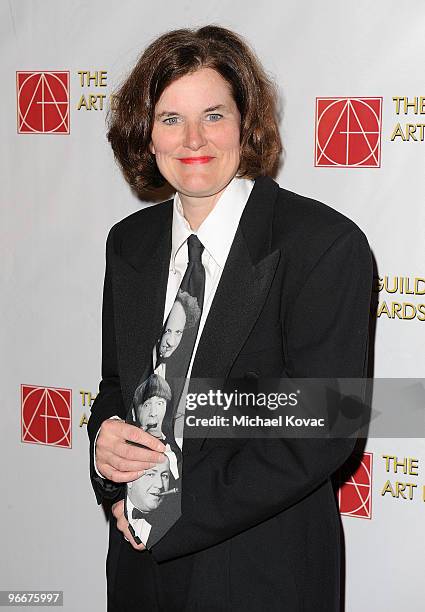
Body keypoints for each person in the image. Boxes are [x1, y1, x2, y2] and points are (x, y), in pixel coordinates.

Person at [87, 25, 373, 611]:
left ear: (247, 122)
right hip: (139, 575)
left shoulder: (322, 244)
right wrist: (106, 448)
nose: (193, 139)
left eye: (213, 115)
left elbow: (326, 425)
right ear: (145, 136)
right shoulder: (129, 244)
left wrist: (167, 509)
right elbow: (118, 389)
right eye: (170, 119)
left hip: (262, 571)